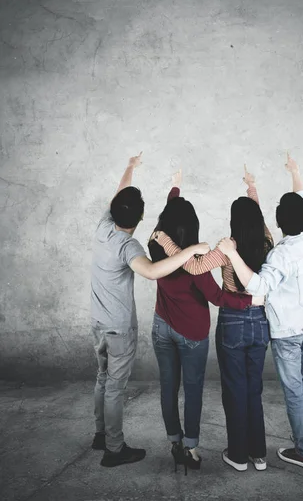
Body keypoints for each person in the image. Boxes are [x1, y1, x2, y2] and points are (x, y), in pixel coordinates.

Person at [90, 153, 210, 468]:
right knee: (115, 385)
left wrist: (130, 167)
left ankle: (101, 434)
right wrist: (191, 252)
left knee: (103, 377)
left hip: (97, 323)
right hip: (118, 327)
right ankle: (114, 450)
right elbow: (154, 272)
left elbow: (120, 194)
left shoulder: (104, 226)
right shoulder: (130, 247)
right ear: (141, 218)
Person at [154, 166, 273, 472]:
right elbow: (255, 215)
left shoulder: (224, 248)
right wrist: (252, 187)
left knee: (233, 389)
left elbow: (192, 266)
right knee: (254, 389)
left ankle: (235, 454)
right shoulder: (267, 240)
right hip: (259, 319)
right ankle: (258, 455)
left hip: (232, 321)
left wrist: (166, 239)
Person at [218, 154, 303, 470]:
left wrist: (229, 252)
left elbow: (256, 285)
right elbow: (302, 201)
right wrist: (295, 172)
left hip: (287, 332)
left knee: (294, 390)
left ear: (281, 223)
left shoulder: (279, 256)